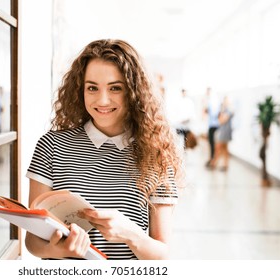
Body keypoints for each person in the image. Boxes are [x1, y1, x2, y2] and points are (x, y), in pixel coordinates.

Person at [25, 39, 183, 260]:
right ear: (81, 90)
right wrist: (59, 250)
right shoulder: (51, 145)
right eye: (92, 88)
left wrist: (130, 234)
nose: (103, 100)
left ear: (133, 91)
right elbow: (33, 241)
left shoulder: (156, 153)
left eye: (115, 88)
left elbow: (162, 253)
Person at [208, 96, 234, 171]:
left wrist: (221, 116)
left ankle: (214, 163)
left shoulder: (229, 111)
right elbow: (220, 119)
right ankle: (224, 165)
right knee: (224, 149)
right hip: (222, 131)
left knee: (219, 147)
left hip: (225, 132)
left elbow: (221, 121)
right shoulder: (223, 110)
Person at [203, 87, 220, 167]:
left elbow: (213, 113)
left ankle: (213, 160)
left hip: (214, 125)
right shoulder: (213, 100)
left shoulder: (212, 101)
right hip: (214, 125)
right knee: (212, 143)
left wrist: (207, 110)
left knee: (213, 144)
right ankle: (212, 159)